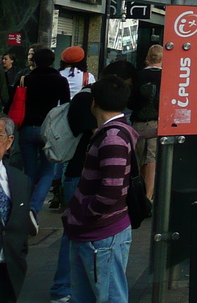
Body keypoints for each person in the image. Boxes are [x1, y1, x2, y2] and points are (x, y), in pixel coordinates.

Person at [49, 61, 134, 303]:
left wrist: (87, 213)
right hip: (94, 232)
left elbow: (112, 189)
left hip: (102, 233)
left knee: (110, 297)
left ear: (94, 103)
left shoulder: (113, 137)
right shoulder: (113, 132)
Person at [18, 48, 69, 214]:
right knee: (48, 172)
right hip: (49, 130)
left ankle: (22, 209)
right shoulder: (60, 81)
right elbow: (66, 105)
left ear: (35, 61)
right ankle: (33, 209)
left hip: (27, 128)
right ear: (52, 61)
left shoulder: (25, 79)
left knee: (29, 171)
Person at [0, 114, 36, 303]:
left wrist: (20, 254)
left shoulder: (20, 180)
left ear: (9, 142)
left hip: (9, 267)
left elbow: (21, 221)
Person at [128, 45, 162, 202]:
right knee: (152, 160)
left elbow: (130, 102)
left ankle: (138, 192)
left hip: (139, 123)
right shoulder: (167, 76)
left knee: (138, 158)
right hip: (158, 122)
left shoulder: (137, 75)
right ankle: (148, 197)